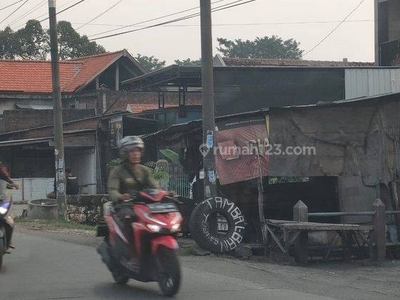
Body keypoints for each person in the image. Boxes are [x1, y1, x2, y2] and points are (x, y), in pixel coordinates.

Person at [0, 161, 20, 251]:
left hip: (2, 199)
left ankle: (8, 241)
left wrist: (13, 184)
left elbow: (5, 178)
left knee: (9, 220)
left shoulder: (1, 174)